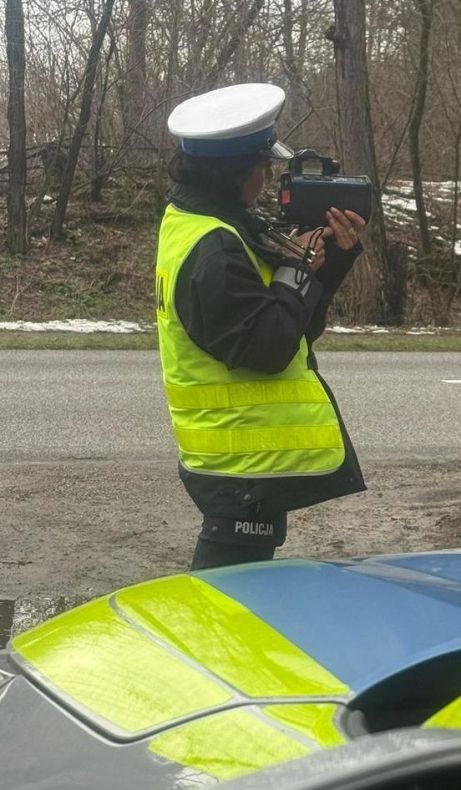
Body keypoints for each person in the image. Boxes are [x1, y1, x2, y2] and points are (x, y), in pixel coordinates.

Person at [155, 83, 367, 570]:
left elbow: (289, 329)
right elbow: (269, 346)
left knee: (237, 589)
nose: (269, 175)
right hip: (239, 459)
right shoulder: (214, 248)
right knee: (227, 599)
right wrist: (298, 270)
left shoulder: (205, 220)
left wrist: (327, 262)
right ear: (233, 171)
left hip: (241, 453)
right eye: (262, 164)